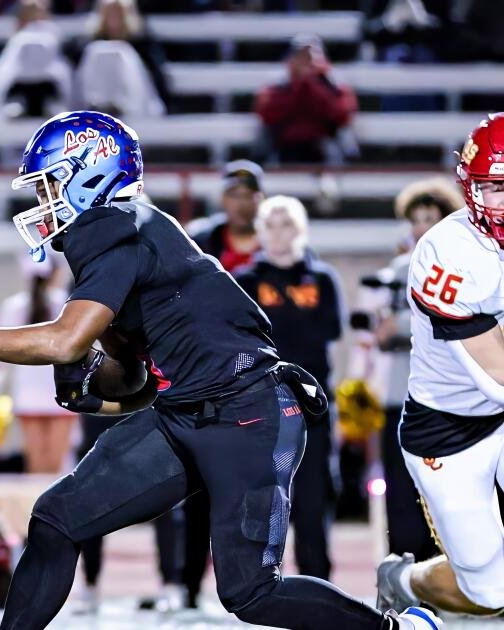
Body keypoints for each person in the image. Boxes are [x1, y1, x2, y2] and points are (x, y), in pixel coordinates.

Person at [0, 110, 440, 630]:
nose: (41, 201)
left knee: (249, 591)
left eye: (48, 184)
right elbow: (136, 381)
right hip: (187, 413)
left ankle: (394, 627)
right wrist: (93, 390)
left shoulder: (114, 224)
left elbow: (64, 339)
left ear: (88, 177)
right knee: (57, 518)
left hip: (249, 412)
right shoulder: (119, 237)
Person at [376, 113, 504, 617]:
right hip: (451, 429)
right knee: (491, 592)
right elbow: (496, 368)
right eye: (496, 187)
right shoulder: (448, 254)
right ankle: (404, 581)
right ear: (471, 189)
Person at [347, 177, 460, 562]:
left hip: (450, 397)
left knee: (447, 488)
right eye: (417, 218)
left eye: (431, 217)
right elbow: (368, 332)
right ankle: (408, 570)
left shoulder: (462, 269)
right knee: (400, 486)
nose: (422, 226)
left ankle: (452, 572)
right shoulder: (394, 271)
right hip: (400, 394)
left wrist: (405, 327)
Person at [234, 195, 344, 581]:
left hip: (312, 406)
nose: (279, 233)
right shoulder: (245, 281)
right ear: (260, 231)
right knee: (261, 499)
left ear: (301, 229)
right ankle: (258, 584)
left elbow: (329, 332)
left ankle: (317, 581)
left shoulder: (323, 278)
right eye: (272, 224)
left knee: (313, 499)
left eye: (287, 223)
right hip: (260, 404)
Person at [0, 254, 77, 474]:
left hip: (27, 393)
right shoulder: (66, 304)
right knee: (58, 465)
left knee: (35, 462)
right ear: (56, 273)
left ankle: (35, 507)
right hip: (62, 390)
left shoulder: (13, 307)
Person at [254, 35, 358, 165]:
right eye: (301, 56)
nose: (307, 61)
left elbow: (342, 115)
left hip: (323, 144)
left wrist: (313, 84)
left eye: (311, 56)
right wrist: (297, 86)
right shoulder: (279, 81)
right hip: (285, 143)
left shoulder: (333, 81)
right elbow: (267, 113)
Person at [186, 159, 264, 272]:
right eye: (235, 195)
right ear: (223, 199)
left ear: (261, 199)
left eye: (248, 195)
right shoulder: (202, 239)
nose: (242, 203)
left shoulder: (277, 240)